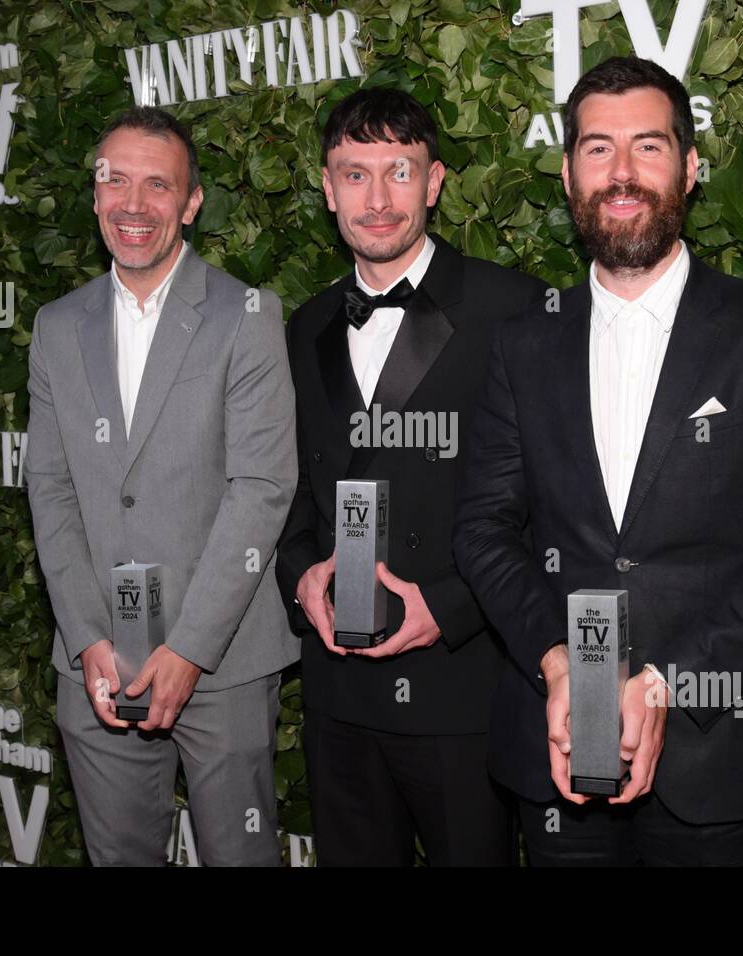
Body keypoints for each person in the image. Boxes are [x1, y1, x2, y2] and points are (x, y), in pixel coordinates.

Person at [452, 56, 743, 866]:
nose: (623, 173)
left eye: (649, 146)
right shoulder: (523, 343)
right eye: (598, 150)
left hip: (717, 769)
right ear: (568, 173)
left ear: (691, 167)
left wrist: (670, 684)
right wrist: (562, 667)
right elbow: (483, 530)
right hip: (558, 754)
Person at [276, 89, 547, 865]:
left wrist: (453, 606)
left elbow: (551, 501)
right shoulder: (307, 325)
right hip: (337, 691)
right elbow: (286, 488)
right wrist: (301, 580)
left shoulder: (513, 308)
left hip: (463, 687)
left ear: (434, 182)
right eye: (354, 175)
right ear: (328, 190)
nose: (379, 198)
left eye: (400, 171)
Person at [25, 106, 298, 866]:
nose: (134, 205)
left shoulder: (246, 316)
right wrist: (85, 638)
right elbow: (49, 488)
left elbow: (263, 486)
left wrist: (188, 650)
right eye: (116, 181)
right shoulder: (56, 327)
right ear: (95, 194)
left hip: (225, 659)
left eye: (158, 185)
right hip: (98, 666)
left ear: (191, 202)